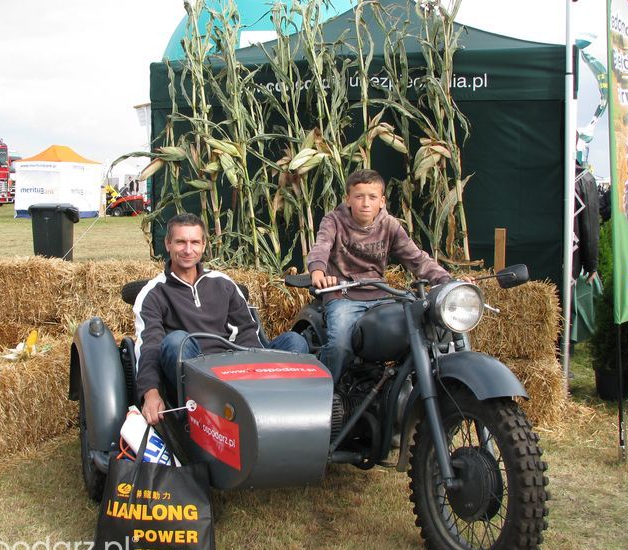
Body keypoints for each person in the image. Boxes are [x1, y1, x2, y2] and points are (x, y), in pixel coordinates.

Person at [135, 212, 309, 425]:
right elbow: (149, 346)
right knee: (177, 341)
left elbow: (247, 330)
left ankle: (280, 413)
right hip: (192, 377)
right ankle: (206, 417)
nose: (188, 250)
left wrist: (254, 372)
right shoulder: (153, 293)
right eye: (180, 242)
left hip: (234, 369)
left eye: (195, 242)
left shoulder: (223, 283)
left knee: (295, 342)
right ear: (168, 243)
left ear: (204, 244)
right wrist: (150, 393)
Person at [307, 168, 468, 384]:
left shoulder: (389, 225)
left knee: (424, 329)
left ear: (382, 201)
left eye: (372, 197)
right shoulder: (334, 221)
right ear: (348, 200)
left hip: (381, 295)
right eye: (359, 196)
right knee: (339, 345)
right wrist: (318, 271)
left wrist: (448, 282)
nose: (365, 203)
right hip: (343, 296)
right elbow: (322, 246)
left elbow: (417, 259)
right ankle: (326, 394)